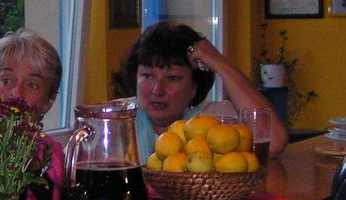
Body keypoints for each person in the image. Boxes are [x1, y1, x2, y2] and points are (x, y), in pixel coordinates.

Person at [119, 21, 289, 161]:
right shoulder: (117, 119)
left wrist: (218, 62)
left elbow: (274, 142)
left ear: (194, 88)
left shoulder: (214, 120)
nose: (158, 90)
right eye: (148, 76)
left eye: (172, 78)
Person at [0, 28, 64, 200]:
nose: (16, 94)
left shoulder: (53, 153)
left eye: (32, 85)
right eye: (7, 80)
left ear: (49, 101)